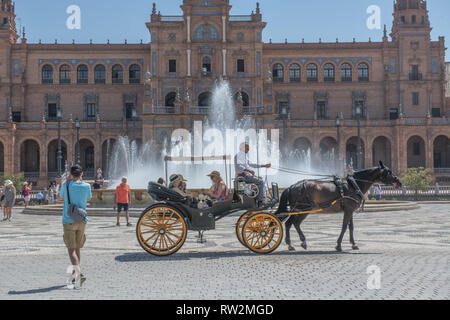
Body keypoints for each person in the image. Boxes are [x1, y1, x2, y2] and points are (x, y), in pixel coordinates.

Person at [58, 164, 92, 288]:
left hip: (68, 220)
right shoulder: (87, 186)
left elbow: (60, 197)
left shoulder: (66, 185)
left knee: (71, 249)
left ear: (71, 174)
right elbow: (88, 198)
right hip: (82, 220)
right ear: (81, 174)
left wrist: (67, 182)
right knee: (77, 248)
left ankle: (79, 273)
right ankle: (74, 275)